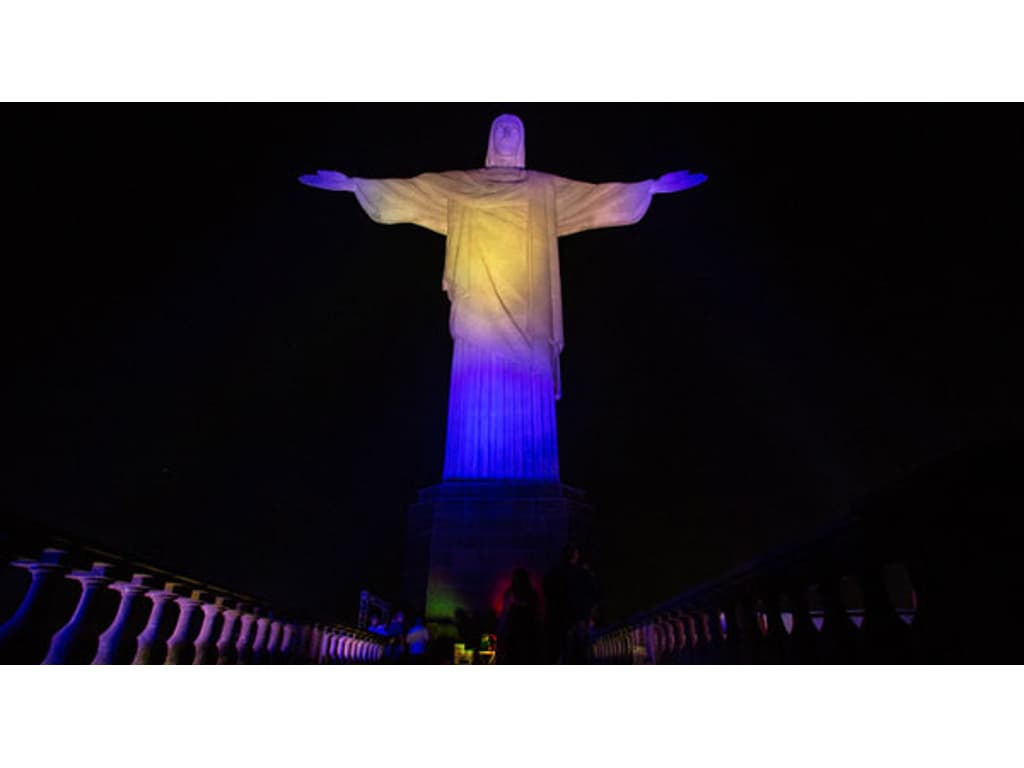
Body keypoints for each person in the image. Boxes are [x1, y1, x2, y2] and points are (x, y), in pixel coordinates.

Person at [299, 115, 707, 483]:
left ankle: (533, 476)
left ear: (523, 139)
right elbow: (412, 193)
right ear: (493, 139)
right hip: (478, 310)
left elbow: (595, 199)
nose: (509, 135)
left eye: (516, 129)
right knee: (475, 394)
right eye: (502, 129)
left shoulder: (543, 189)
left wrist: (651, 188)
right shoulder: (463, 185)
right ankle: (468, 475)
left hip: (529, 317)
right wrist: (355, 184)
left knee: (528, 398)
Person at [496, 568, 542, 664]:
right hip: (515, 635)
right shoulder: (511, 594)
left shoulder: (530, 595)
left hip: (526, 635)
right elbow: (505, 612)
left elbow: (535, 613)